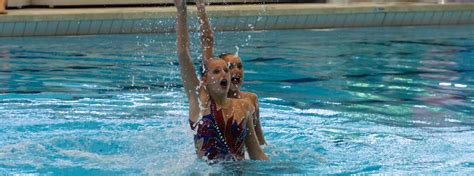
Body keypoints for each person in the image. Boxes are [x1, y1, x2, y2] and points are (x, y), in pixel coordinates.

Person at [173, 0, 268, 163]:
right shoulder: (200, 101)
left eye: (226, 70)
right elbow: (183, 53)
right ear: (205, 79)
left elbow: (256, 153)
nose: (224, 74)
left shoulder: (244, 106)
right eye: (217, 71)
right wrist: (182, 11)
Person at [195, 0, 266, 145]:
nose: (236, 71)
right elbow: (207, 41)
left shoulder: (251, 100)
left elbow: (260, 142)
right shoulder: (211, 99)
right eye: (230, 67)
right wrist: (200, 6)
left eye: (240, 67)